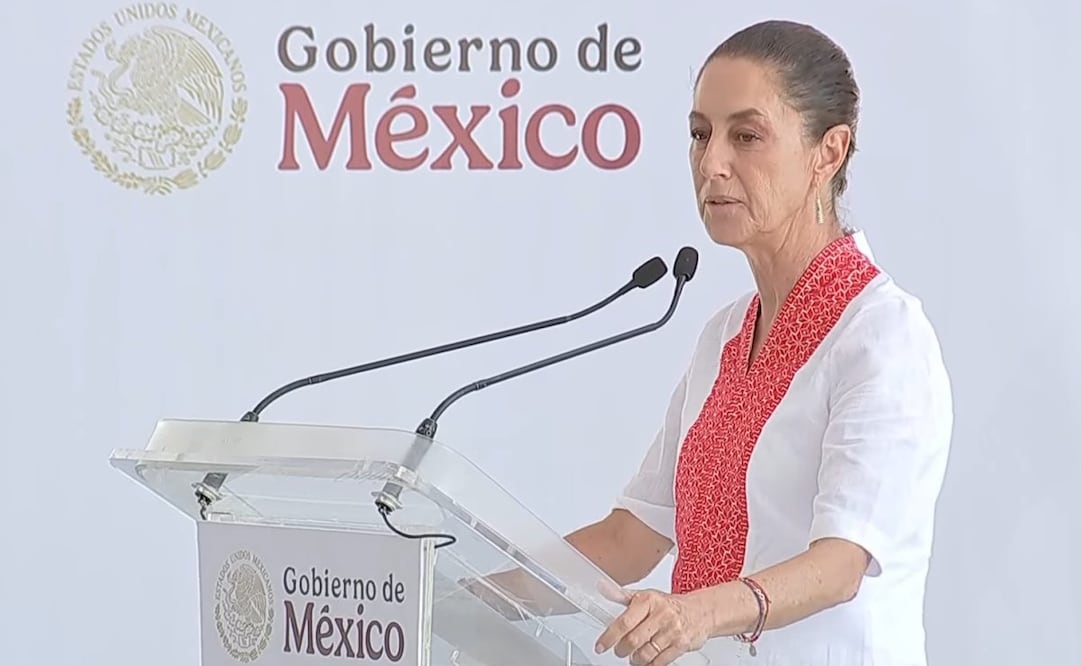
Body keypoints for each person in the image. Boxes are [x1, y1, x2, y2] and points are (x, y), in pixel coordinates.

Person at [569, 19, 953, 666]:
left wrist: (693, 612)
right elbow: (632, 534)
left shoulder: (882, 335)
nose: (710, 163)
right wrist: (469, 587)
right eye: (699, 134)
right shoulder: (724, 334)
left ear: (827, 153)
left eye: (745, 136)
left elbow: (840, 563)